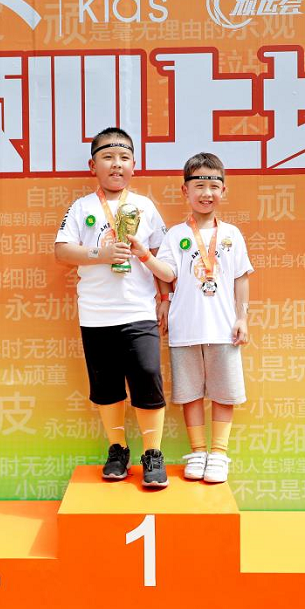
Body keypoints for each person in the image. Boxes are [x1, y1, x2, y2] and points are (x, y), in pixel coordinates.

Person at [54, 127, 170, 488]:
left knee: (147, 379)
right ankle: (117, 449)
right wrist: (101, 253)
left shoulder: (146, 207)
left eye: (123, 157)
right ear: (93, 166)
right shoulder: (82, 207)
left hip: (139, 312)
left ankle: (152, 453)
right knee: (106, 388)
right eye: (107, 157)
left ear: (134, 165)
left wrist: (165, 300)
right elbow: (62, 251)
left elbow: (163, 258)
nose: (116, 164)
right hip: (96, 314)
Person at [128, 153, 253, 483]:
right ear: (185, 190)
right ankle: (198, 451)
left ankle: (219, 454)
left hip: (224, 329)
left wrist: (242, 318)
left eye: (213, 185)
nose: (206, 192)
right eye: (199, 185)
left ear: (223, 190)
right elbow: (168, 273)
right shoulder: (175, 235)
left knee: (225, 393)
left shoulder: (232, 234)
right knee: (190, 393)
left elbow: (241, 278)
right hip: (185, 328)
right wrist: (145, 256)